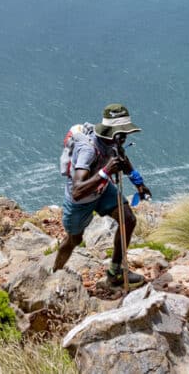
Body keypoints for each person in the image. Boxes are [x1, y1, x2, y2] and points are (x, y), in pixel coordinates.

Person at [53, 103, 152, 287]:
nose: (125, 135)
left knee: (128, 219)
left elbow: (121, 157)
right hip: (81, 200)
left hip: (103, 189)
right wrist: (106, 171)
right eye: (122, 132)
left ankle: (115, 273)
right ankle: (54, 275)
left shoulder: (114, 140)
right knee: (74, 240)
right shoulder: (88, 150)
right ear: (111, 130)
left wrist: (138, 183)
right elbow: (77, 191)